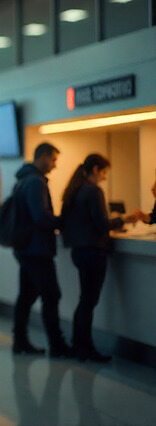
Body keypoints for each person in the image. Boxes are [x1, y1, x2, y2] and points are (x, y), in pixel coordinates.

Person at [61, 154, 137, 362]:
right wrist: (124, 218)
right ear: (96, 170)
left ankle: (79, 345)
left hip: (79, 251)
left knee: (84, 301)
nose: (104, 177)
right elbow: (102, 224)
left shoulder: (74, 190)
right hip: (94, 252)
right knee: (88, 301)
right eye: (103, 172)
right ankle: (86, 348)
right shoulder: (93, 191)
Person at [12, 142, 72, 357]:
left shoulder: (22, 180)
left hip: (25, 247)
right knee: (51, 295)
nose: (55, 165)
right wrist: (62, 221)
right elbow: (40, 217)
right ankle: (57, 345)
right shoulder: (35, 182)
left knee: (26, 296)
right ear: (44, 156)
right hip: (37, 249)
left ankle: (20, 341)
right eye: (54, 159)